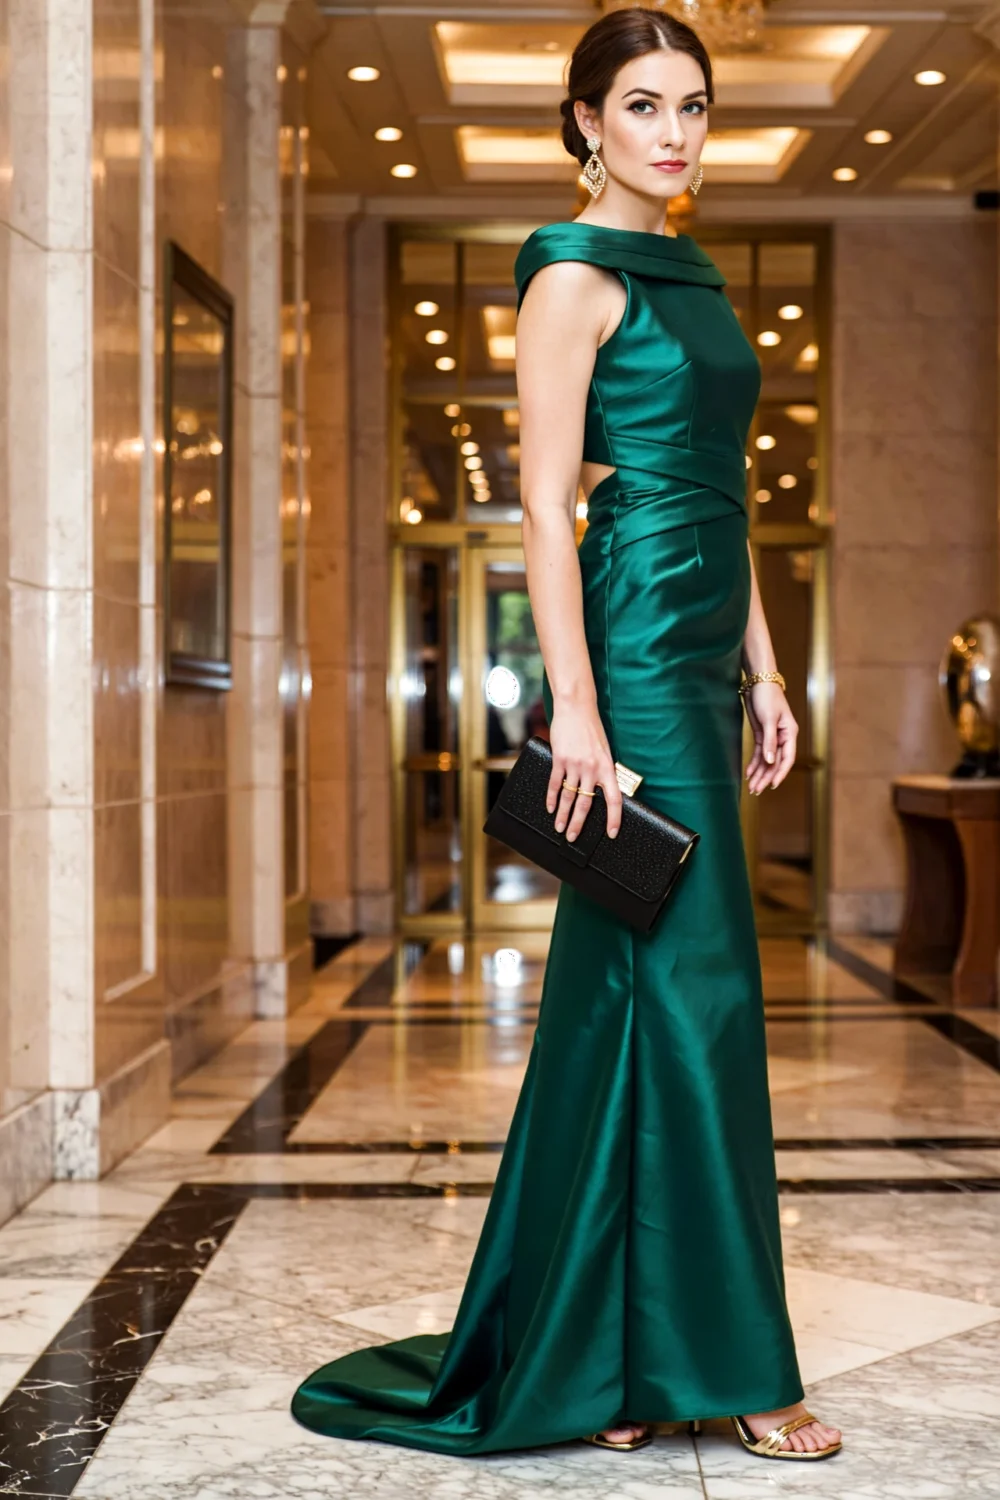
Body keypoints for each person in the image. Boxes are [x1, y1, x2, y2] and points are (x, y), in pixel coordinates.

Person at [291, 7, 842, 1462]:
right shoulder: (573, 280)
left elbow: (726, 496)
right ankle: (727, 1365)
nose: (676, 132)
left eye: (697, 107)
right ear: (587, 121)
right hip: (635, 667)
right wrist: (579, 710)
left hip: (707, 663)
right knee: (701, 998)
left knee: (628, 1007)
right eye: (646, 105)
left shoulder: (699, 279)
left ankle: (608, 1351)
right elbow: (546, 507)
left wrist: (772, 673)